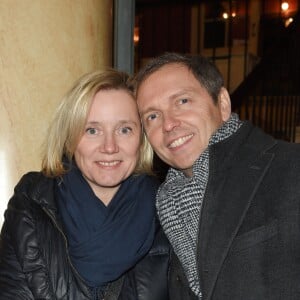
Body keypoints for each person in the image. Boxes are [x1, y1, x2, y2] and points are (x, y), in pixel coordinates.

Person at [134, 52, 300, 300]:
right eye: (153, 116)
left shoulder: (290, 169)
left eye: (182, 101)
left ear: (222, 104)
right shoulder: (162, 209)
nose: (168, 124)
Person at [0, 69, 170, 300]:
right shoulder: (30, 208)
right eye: (92, 130)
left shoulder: (170, 211)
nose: (109, 147)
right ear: (69, 138)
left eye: (124, 129)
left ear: (141, 140)